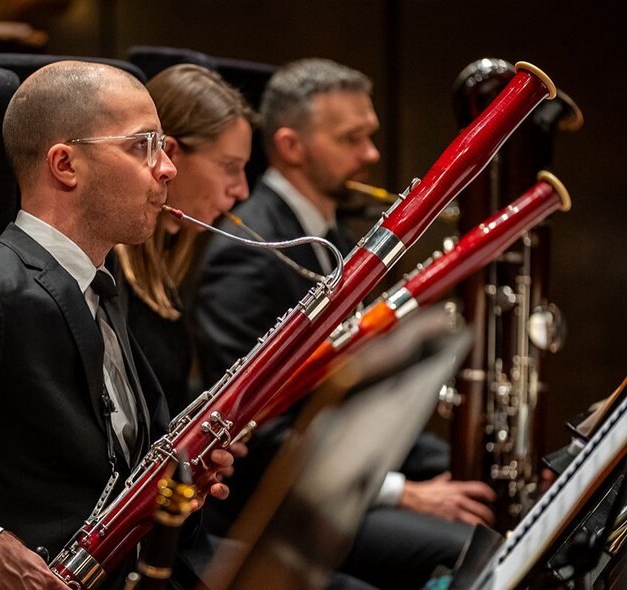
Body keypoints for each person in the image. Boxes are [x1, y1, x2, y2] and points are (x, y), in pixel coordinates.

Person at [0, 60, 238, 590]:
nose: (167, 168)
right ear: (65, 164)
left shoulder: (102, 286)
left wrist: (178, 486)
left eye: (164, 146)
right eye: (143, 146)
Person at [193, 57, 496, 589]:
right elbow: (257, 433)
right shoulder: (249, 252)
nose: (372, 155)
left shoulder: (338, 234)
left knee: (493, 517)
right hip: (265, 507)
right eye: (351, 139)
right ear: (291, 147)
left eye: (370, 136)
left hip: (337, 482)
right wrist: (407, 492)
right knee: (472, 550)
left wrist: (464, 467)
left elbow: (358, 398)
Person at [114, 63, 254, 416]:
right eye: (229, 166)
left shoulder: (174, 259)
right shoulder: (108, 274)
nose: (242, 190)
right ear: (170, 154)